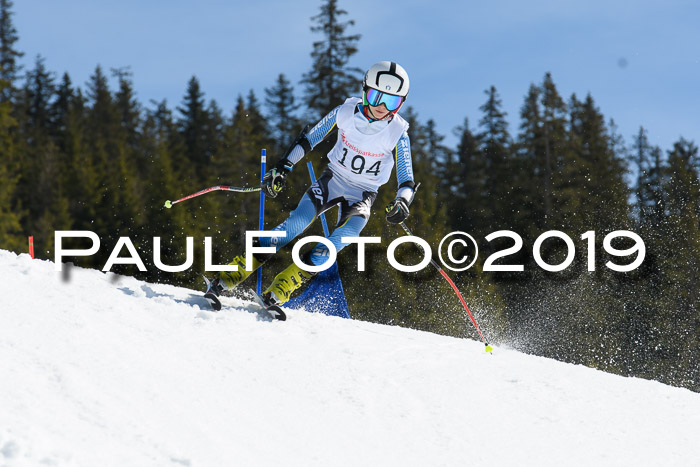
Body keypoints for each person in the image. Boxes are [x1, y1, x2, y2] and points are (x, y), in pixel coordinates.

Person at [205, 61, 417, 308]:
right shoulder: (345, 112)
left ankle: (282, 288)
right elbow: (310, 139)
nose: (381, 106)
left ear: (400, 103)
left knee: (339, 241)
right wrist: (283, 167)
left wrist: (402, 201)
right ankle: (228, 276)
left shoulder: (398, 132)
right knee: (293, 226)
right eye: (376, 96)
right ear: (364, 91)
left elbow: (407, 179)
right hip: (332, 181)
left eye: (391, 101)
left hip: (363, 195)